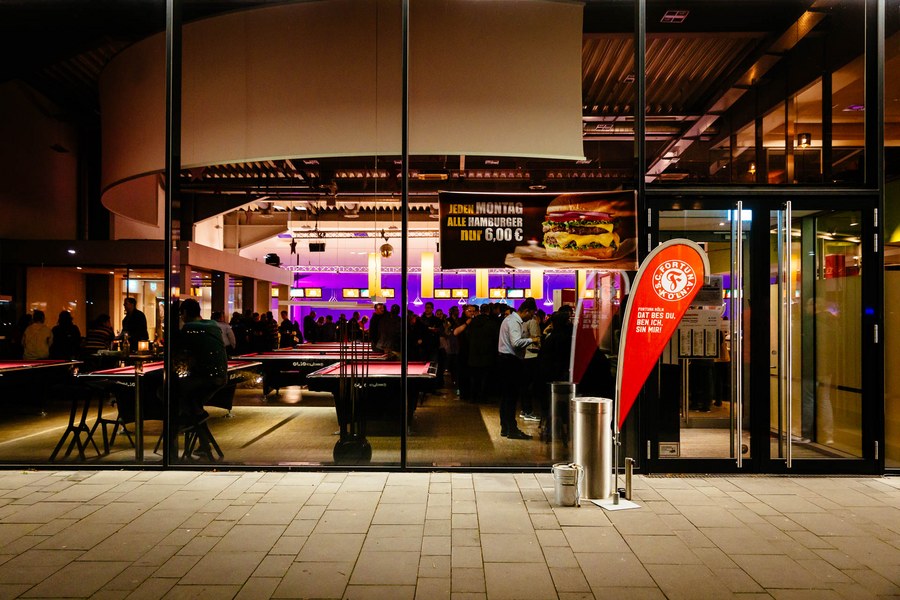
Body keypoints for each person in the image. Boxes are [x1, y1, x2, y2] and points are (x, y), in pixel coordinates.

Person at [173, 299, 228, 460]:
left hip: (205, 378)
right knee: (193, 404)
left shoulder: (189, 328)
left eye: (181, 314)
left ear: (185, 313)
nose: (181, 317)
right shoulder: (213, 326)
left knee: (168, 391)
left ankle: (188, 420)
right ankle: (203, 442)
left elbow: (180, 352)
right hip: (219, 376)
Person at [497, 298, 540, 439]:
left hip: (505, 360)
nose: (531, 318)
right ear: (526, 311)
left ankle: (505, 427)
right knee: (511, 397)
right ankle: (512, 430)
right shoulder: (514, 322)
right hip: (511, 362)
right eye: (531, 314)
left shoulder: (509, 319)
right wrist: (532, 340)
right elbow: (516, 343)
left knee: (505, 397)